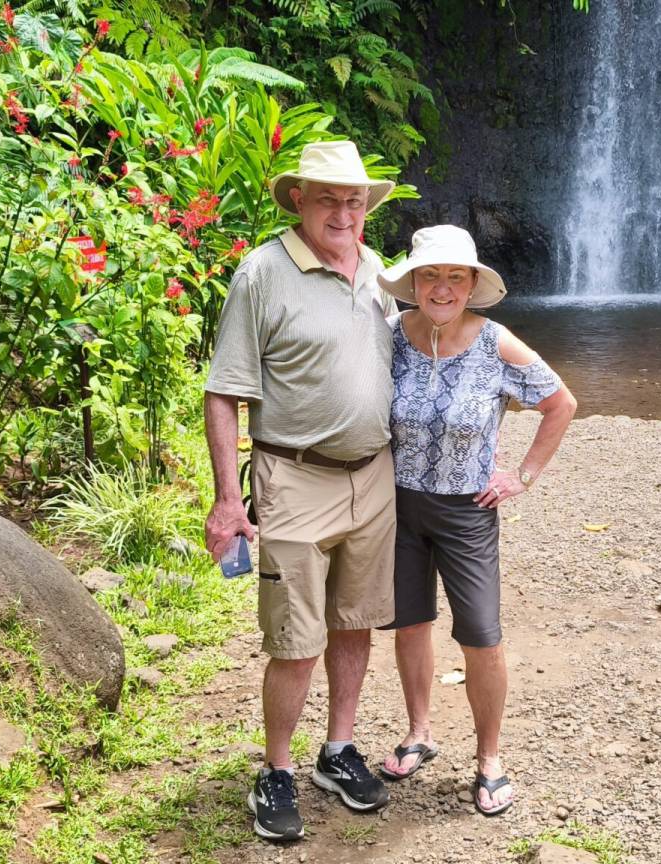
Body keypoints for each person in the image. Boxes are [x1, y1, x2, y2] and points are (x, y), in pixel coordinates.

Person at [202, 140, 400, 842]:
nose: (343, 213)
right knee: (294, 638)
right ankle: (277, 769)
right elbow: (223, 393)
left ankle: (338, 750)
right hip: (293, 477)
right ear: (299, 200)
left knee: (355, 620)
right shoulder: (262, 273)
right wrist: (228, 500)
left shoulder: (379, 272)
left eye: (354, 201)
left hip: (373, 476)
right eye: (328, 200)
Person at [372, 225, 577, 817]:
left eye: (454, 277)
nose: (442, 288)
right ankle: (419, 732)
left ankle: (489, 758)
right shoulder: (392, 335)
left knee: (481, 636)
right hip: (398, 507)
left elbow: (560, 403)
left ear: (470, 285)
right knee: (410, 624)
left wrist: (522, 476)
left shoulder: (495, 342)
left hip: (467, 512)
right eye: (430, 276)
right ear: (414, 282)